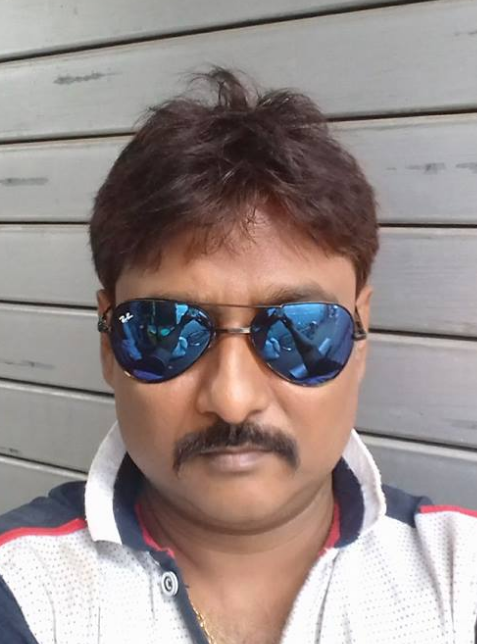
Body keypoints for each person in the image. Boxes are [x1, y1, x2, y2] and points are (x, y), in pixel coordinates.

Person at [0, 68, 476, 644]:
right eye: (165, 330)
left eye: (300, 331)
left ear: (360, 333)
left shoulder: (461, 577)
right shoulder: (22, 588)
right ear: (108, 341)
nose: (232, 398)